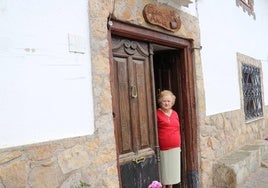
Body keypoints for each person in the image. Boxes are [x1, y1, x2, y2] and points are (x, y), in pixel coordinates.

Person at [157, 90, 181, 188]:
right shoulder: (157, 113)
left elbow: (177, 129)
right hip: (164, 148)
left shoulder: (175, 113)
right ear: (160, 102)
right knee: (165, 173)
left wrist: (179, 146)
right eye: (164, 101)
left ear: (172, 103)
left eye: (168, 101)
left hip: (175, 147)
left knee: (172, 173)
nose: (166, 103)